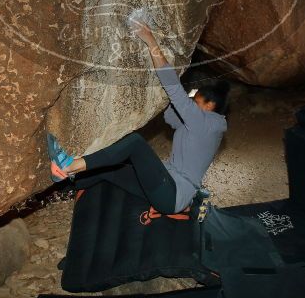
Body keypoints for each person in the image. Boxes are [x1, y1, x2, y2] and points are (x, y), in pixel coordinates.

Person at [46, 18, 229, 215]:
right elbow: (171, 115)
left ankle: (71, 165)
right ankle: (62, 186)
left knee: (135, 143)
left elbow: (176, 92)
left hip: (173, 193)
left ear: (210, 105)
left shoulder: (207, 124)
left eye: (196, 100)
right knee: (110, 168)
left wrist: (151, 41)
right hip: (166, 186)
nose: (192, 102)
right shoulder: (199, 126)